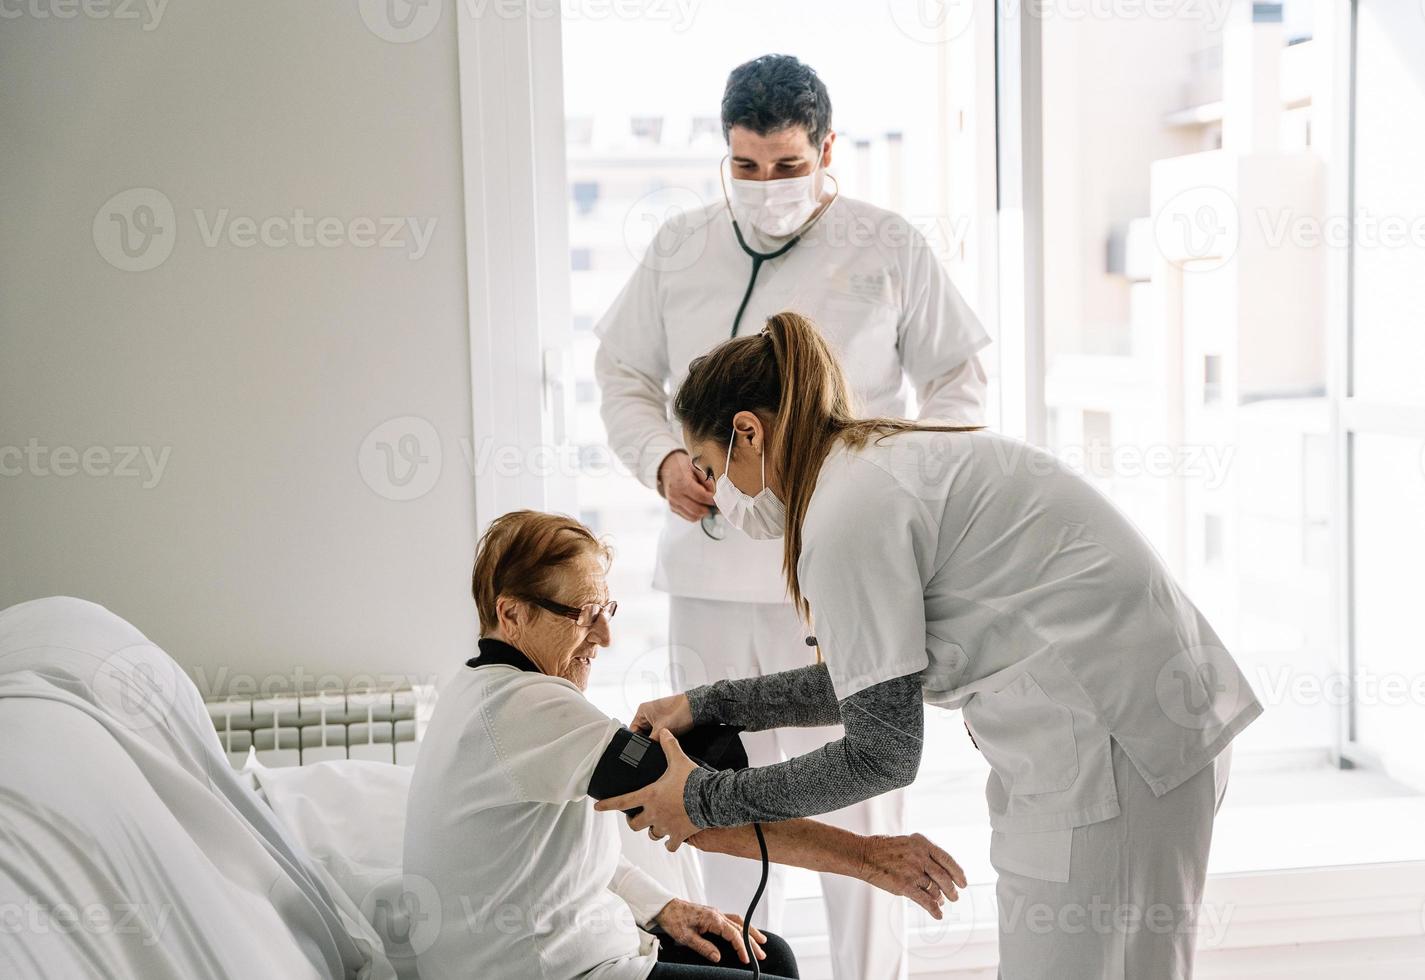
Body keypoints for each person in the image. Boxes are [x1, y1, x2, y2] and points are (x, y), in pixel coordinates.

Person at [593, 313, 1264, 979]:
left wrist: (703, 799)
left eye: (711, 469)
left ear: (748, 431)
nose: (721, 499)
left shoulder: (845, 513)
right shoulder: (867, 466)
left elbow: (880, 752)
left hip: (1116, 744)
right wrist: (713, 704)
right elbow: (872, 675)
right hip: (1109, 734)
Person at [595, 54, 990, 980]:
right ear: (722, 157)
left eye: (785, 166)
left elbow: (958, 382)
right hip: (711, 576)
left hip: (841, 572)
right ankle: (735, 974)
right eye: (745, 167)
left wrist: (891, 491)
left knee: (856, 806)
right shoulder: (680, 248)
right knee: (711, 803)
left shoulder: (886, 243)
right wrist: (660, 458)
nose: (765, 187)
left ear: (826, 151)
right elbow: (620, 374)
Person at [403, 509, 968, 980]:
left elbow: (574, 862)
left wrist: (663, 908)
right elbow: (694, 814)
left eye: (608, 610)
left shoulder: (482, 688)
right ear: (512, 614)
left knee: (770, 955)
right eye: (584, 615)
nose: (605, 637)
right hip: (542, 970)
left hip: (560, 948)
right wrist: (869, 859)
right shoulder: (525, 707)